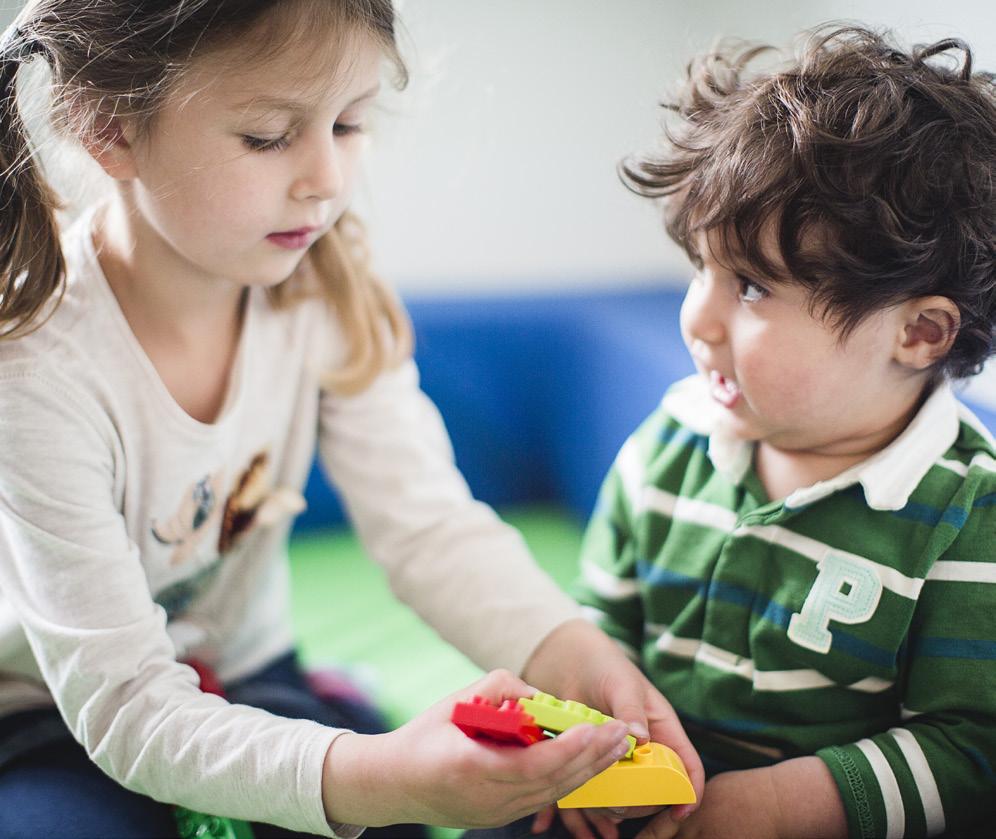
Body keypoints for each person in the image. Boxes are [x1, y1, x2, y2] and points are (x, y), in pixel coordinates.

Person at [0, 2, 704, 838]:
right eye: (267, 136)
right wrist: (380, 778)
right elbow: (125, 707)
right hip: (50, 716)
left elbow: (429, 528)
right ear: (106, 126)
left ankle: (335, 702)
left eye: (350, 123)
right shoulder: (35, 368)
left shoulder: (321, 287)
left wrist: (570, 653)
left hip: (249, 676)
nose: (327, 179)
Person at [470, 23, 996, 839]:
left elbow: (971, 752)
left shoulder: (968, 512)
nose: (697, 319)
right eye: (700, 267)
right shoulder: (671, 442)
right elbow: (606, 630)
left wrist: (781, 807)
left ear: (920, 334)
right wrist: (571, 733)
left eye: (750, 286)